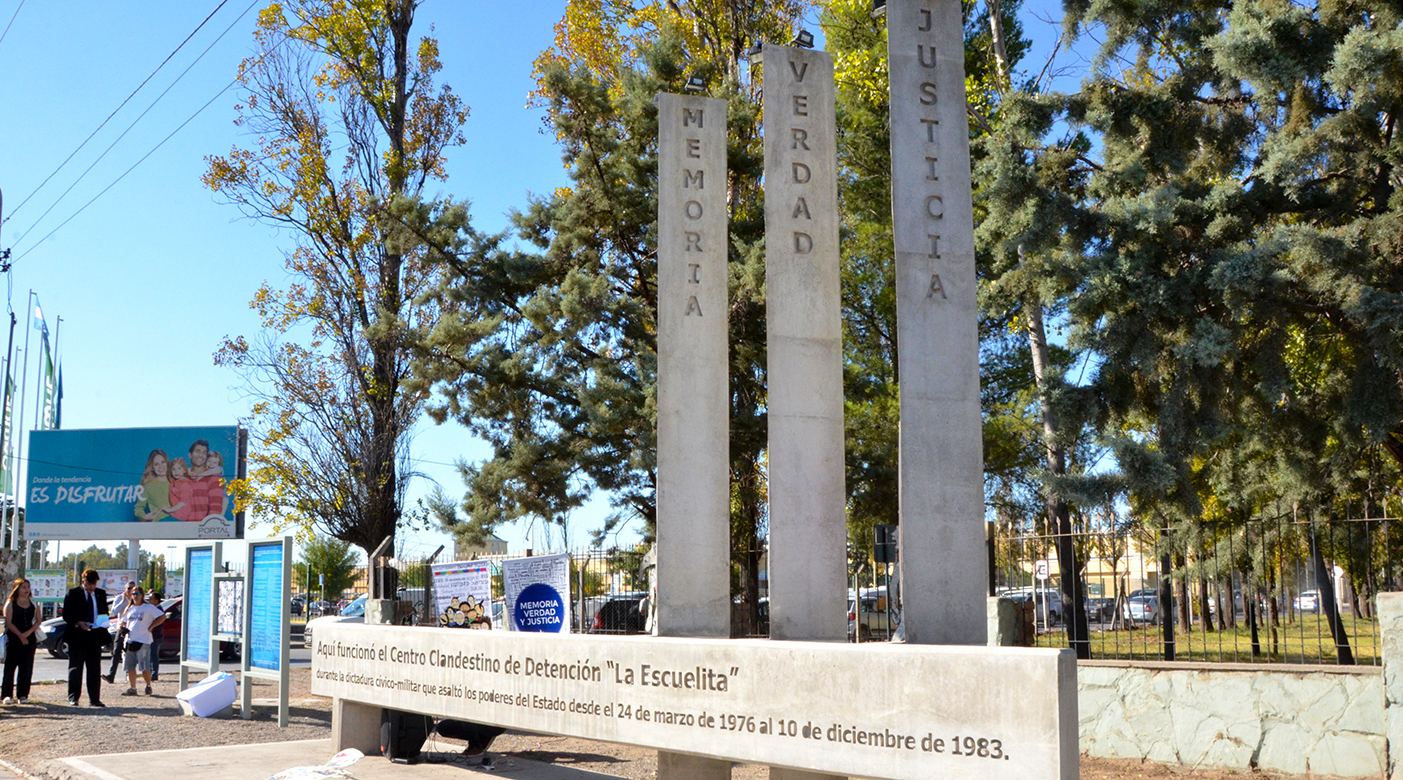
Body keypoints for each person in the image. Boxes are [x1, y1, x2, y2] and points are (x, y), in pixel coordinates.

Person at [63, 569, 110, 707]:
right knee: (75, 668)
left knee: (94, 669)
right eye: (89, 584)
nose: (91, 587)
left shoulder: (101, 594)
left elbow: (104, 612)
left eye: (94, 584)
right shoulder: (73, 593)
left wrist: (103, 623)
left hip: (95, 636)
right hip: (77, 636)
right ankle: (74, 697)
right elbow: (67, 614)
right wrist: (78, 622)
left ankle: (94, 698)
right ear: (83, 581)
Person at [117, 587, 164, 696]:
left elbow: (162, 617)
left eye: (137, 593)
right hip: (130, 640)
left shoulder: (148, 607)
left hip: (143, 640)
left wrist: (152, 626)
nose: (135, 595)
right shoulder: (129, 608)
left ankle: (148, 685)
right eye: (133, 594)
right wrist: (121, 627)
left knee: (145, 667)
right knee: (130, 666)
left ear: (142, 595)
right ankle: (133, 687)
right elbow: (123, 622)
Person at [2, 579, 38, 704]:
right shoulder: (11, 603)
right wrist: (20, 635)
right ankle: (7, 695)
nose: (26, 590)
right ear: (17, 589)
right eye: (23, 587)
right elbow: (8, 622)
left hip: (29, 639)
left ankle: (23, 695)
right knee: (10, 666)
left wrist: (28, 634)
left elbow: (38, 620)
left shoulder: (33, 603)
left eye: (28, 587)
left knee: (26, 667)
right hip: (13, 638)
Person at [103, 581, 137, 683]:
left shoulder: (136, 598)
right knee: (117, 650)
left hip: (133, 628)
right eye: (129, 588)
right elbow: (114, 611)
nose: (131, 591)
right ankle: (111, 675)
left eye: (133, 589)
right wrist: (123, 602)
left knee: (130, 652)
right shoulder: (119, 598)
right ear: (125, 589)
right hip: (121, 627)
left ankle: (129, 674)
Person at [133, 449, 175, 521]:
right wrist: (144, 516)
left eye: (163, 462)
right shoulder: (148, 486)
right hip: (160, 525)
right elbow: (138, 508)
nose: (160, 466)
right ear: (152, 467)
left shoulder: (176, 481)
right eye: (156, 464)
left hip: (179, 524)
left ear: (167, 462)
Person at [146, 591, 165, 680]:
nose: (149, 600)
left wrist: (151, 626)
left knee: (154, 655)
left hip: (156, 636)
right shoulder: (152, 608)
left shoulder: (158, 610)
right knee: (150, 655)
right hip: (151, 635)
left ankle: (154, 674)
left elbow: (159, 622)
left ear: (156, 600)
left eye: (151, 598)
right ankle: (150, 672)